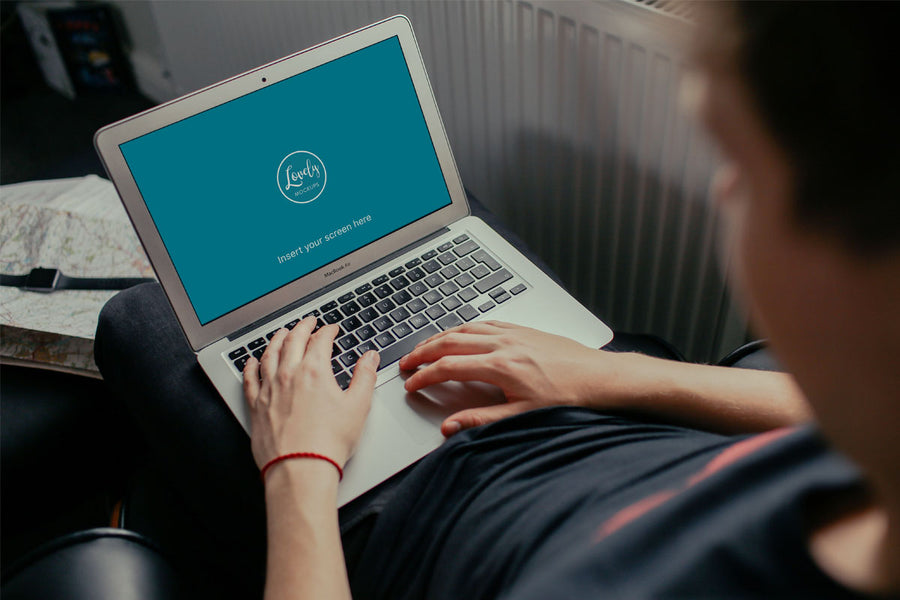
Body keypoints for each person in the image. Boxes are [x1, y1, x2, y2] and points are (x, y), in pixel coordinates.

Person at [95, 2, 899, 598]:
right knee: (439, 221)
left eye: (743, 169)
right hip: (600, 410)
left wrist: (297, 466)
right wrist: (609, 375)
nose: (723, 192)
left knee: (139, 319)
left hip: (407, 515)